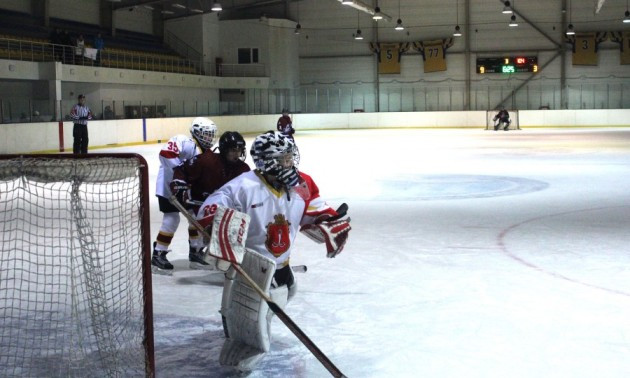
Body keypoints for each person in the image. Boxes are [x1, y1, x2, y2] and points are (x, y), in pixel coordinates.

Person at [196, 130, 351, 372]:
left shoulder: (302, 184)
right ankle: (238, 329)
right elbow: (206, 212)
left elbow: (316, 209)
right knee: (252, 327)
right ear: (269, 161)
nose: (292, 163)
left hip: (282, 267)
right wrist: (222, 222)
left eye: (291, 157)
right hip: (249, 272)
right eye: (285, 158)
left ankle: (247, 325)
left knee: (279, 300)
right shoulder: (243, 187)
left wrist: (330, 221)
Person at [170, 131, 251, 269]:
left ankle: (221, 255)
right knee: (209, 230)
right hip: (199, 202)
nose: (237, 154)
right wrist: (180, 186)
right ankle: (198, 251)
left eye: (239, 150)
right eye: (233, 150)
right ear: (224, 150)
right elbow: (182, 170)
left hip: (225, 205)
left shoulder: (243, 169)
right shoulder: (207, 160)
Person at [152, 117, 218, 273]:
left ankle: (195, 251)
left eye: (211, 134)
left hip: (187, 190)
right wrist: (181, 170)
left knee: (194, 218)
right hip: (168, 188)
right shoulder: (183, 141)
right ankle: (158, 253)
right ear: (196, 132)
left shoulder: (206, 152)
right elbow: (165, 154)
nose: (210, 138)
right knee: (172, 219)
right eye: (206, 134)